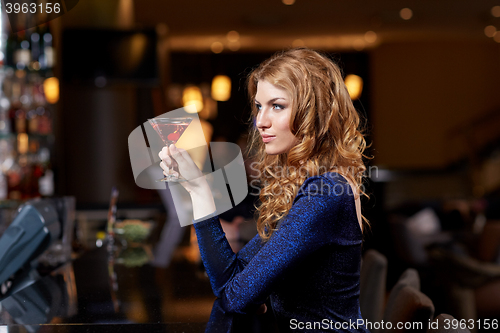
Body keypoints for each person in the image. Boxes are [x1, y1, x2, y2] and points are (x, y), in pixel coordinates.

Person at [159, 48, 371, 332]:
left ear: (314, 113)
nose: (261, 121)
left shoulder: (327, 192)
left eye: (277, 106)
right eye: (259, 106)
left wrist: (200, 191)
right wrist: (198, 191)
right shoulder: (307, 186)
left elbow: (234, 298)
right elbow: (229, 282)